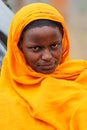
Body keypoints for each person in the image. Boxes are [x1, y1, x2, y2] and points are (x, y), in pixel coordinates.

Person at [0, 2, 87, 130]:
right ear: (18, 49)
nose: (47, 56)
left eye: (54, 46)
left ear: (64, 42)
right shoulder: (6, 101)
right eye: (36, 48)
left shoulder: (80, 78)